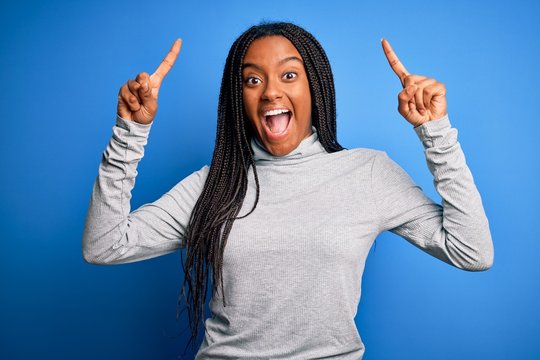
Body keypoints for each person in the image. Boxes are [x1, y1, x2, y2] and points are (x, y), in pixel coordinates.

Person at [82, 22, 494, 359]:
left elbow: (472, 251)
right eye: (252, 80)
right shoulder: (215, 185)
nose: (271, 92)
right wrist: (130, 132)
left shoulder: (367, 173)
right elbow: (104, 245)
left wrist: (435, 132)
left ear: (315, 87)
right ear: (237, 98)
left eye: (289, 75)